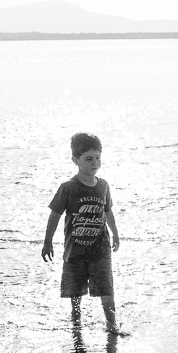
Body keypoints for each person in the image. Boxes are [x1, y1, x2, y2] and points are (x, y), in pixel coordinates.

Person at [41, 133, 124, 334]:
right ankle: (76, 324)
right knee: (75, 293)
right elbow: (55, 215)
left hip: (100, 250)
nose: (95, 162)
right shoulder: (68, 187)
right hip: (75, 251)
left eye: (98, 158)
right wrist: (47, 242)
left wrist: (115, 233)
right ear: (75, 160)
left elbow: (108, 211)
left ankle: (112, 324)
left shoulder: (103, 186)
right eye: (88, 159)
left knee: (106, 288)